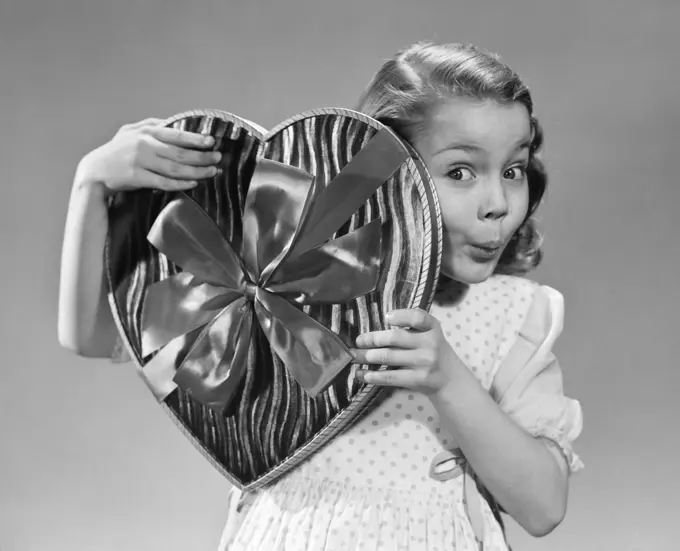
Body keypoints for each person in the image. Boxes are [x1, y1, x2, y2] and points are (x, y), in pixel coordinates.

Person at [58, 42, 583, 550]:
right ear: (387, 172)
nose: (497, 203)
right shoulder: (289, 284)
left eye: (512, 170)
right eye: (461, 172)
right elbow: (91, 335)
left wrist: (449, 379)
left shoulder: (513, 313)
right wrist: (91, 186)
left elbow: (543, 508)